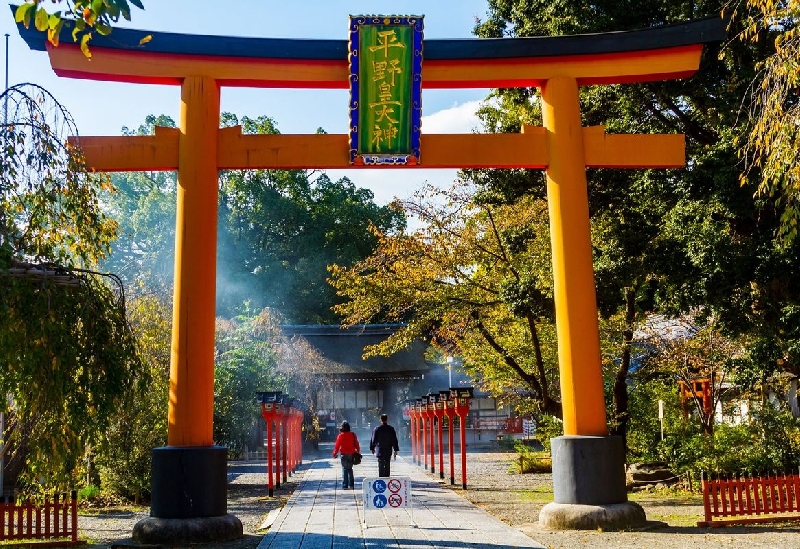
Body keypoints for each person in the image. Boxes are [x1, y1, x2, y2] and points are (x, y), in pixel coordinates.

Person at [332, 421, 360, 489]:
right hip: (351, 454)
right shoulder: (353, 434)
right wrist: (357, 452)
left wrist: (334, 454)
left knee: (345, 469)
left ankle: (345, 485)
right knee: (350, 469)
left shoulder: (340, 435)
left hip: (343, 454)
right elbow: (357, 444)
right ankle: (352, 485)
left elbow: (337, 446)